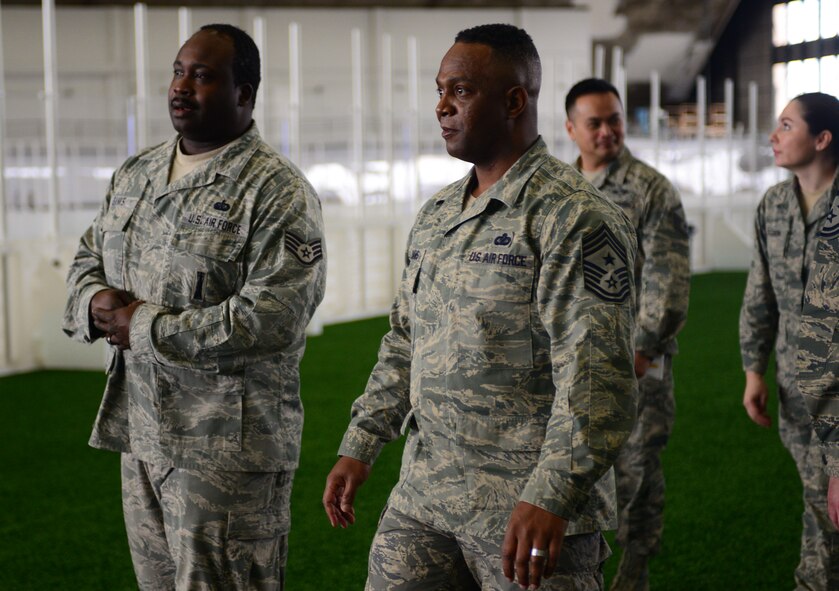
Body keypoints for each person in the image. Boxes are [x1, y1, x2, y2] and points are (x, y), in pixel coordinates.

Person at [322, 24, 637, 590]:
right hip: (426, 497)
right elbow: (404, 340)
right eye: (440, 90)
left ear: (515, 99)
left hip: (527, 511)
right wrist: (362, 441)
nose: (442, 106)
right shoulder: (438, 213)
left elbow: (598, 381)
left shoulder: (575, 218)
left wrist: (552, 493)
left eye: (461, 91)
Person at [62, 24, 325, 590]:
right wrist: (94, 301)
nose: (182, 87)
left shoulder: (277, 190)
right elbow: (87, 256)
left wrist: (147, 327)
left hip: (225, 451)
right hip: (142, 437)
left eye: (203, 76)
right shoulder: (137, 174)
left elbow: (274, 317)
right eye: (178, 72)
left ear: (244, 93)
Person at [564, 78, 690, 591]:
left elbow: (669, 277)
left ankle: (632, 573)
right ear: (571, 129)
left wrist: (642, 348)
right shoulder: (559, 188)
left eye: (614, 120)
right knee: (570, 468)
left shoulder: (650, 188)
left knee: (636, 470)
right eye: (594, 123)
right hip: (568, 361)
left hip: (636, 361)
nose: (607, 132)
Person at [741, 92, 839, 590]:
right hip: (795, 393)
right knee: (818, 499)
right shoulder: (774, 203)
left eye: (786, 125)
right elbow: (760, 292)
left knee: (825, 508)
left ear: (822, 139)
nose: (773, 137)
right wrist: (754, 369)